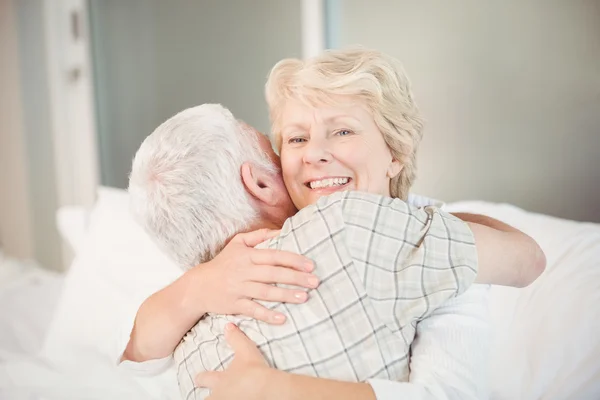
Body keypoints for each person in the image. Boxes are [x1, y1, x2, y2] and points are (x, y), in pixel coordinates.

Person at [121, 48, 546, 400]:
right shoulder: (234, 267)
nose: (314, 154)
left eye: (342, 131)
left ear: (395, 152)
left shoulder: (431, 244)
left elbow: (449, 391)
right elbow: (137, 358)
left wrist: (279, 390)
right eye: (296, 139)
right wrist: (199, 284)